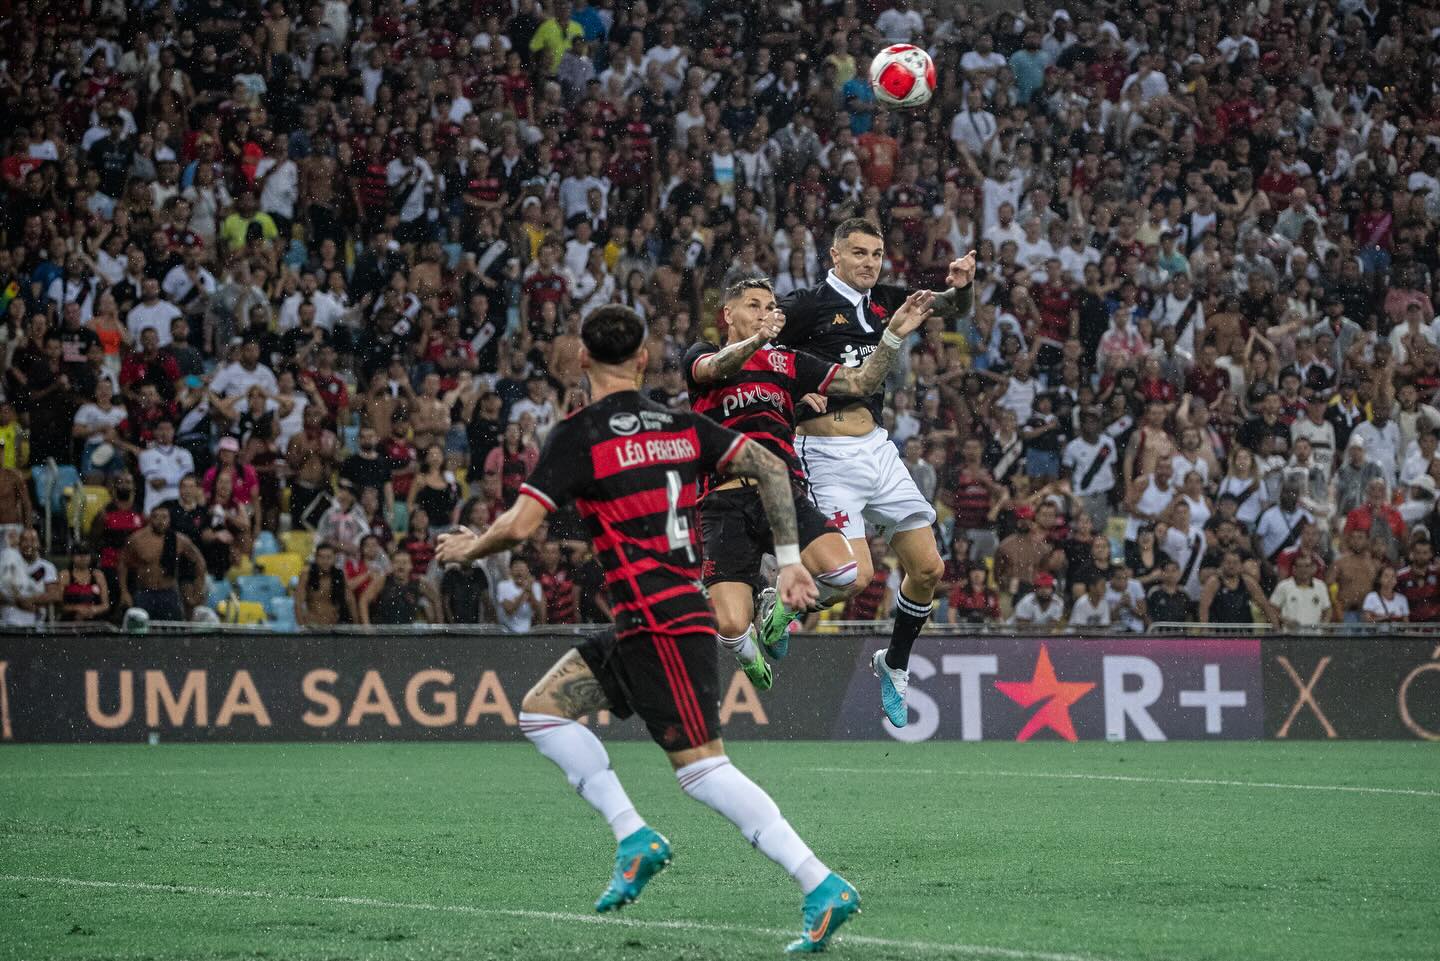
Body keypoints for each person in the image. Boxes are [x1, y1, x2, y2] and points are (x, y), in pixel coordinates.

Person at [434, 305, 858, 950]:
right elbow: (772, 467)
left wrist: (469, 548)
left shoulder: (579, 435)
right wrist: (791, 559)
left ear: (582, 360)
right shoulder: (680, 424)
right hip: (646, 621)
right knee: (542, 712)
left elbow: (519, 527)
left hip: (664, 622)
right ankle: (634, 836)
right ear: (642, 359)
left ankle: (819, 882)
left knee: (702, 771)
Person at [771, 217, 975, 727]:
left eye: (876, 254)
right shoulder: (805, 306)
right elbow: (760, 350)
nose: (869, 263)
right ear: (835, 256)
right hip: (825, 455)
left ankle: (894, 664)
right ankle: (782, 603)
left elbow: (952, 307)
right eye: (859, 253)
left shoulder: (886, 300)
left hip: (877, 450)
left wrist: (963, 287)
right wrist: (793, 393)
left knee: (929, 570)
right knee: (856, 577)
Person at [686, 278, 934, 688]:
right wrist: (758, 343)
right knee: (730, 626)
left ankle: (775, 601)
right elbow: (718, 368)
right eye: (753, 305)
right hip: (724, 502)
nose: (764, 314)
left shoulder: (788, 363)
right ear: (728, 314)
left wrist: (891, 336)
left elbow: (861, 383)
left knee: (847, 574)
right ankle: (745, 649)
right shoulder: (702, 355)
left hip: (781, 496)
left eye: (769, 307)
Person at [117, 504, 206, 622]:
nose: (160, 521)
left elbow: (199, 562)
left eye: (164, 517)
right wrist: (124, 592)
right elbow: (123, 564)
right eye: (156, 517)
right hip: (144, 592)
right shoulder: (137, 539)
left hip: (168, 592)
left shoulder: (178, 540)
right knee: (141, 630)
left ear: (170, 519)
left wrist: (198, 589)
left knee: (174, 630)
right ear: (150, 518)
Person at [359, 549, 440, 625]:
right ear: (391, 565)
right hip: (383, 629)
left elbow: (436, 599)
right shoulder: (383, 581)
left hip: (407, 629)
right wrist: (367, 627)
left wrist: (440, 625)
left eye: (404, 562)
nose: (401, 566)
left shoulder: (418, 582)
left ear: (411, 565)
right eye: (397, 562)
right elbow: (363, 600)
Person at [0, 528, 60, 626]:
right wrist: (18, 601)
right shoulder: (7, 563)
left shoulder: (47, 567)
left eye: (33, 540)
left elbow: (54, 595)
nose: (29, 544)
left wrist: (28, 600)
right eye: (25, 540)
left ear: (39, 543)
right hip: (8, 624)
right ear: (19, 543)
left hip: (35, 625)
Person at [296, 543, 356, 626]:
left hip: (334, 625)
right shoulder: (307, 574)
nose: (325, 561)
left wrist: (357, 624)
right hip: (313, 625)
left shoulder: (339, 575)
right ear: (316, 558)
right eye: (322, 557)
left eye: (329, 557)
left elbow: (350, 601)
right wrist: (302, 627)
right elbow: (298, 603)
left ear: (334, 558)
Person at [1269, 554, 1331, 627]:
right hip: (1290, 633)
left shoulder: (1320, 586)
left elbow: (1327, 610)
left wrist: (1324, 625)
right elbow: (1271, 609)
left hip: (1314, 633)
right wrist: (1284, 620)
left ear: (1312, 568)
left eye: (1307, 566)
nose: (1303, 570)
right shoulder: (1283, 586)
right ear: (1294, 569)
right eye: (1300, 566)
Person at [58, 549, 109, 622]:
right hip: (70, 619)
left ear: (90, 557)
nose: (82, 557)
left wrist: (92, 610)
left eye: (85, 554)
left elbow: (105, 605)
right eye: (79, 554)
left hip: (94, 619)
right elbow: (60, 604)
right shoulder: (64, 575)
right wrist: (76, 608)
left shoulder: (98, 575)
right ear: (72, 557)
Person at [496, 556, 544, 632]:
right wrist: (524, 591)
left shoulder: (535, 586)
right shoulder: (503, 586)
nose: (519, 573)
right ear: (510, 570)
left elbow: (539, 613)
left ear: (527, 571)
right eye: (516, 569)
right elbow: (509, 610)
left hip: (529, 631)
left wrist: (531, 592)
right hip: (507, 631)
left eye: (522, 569)